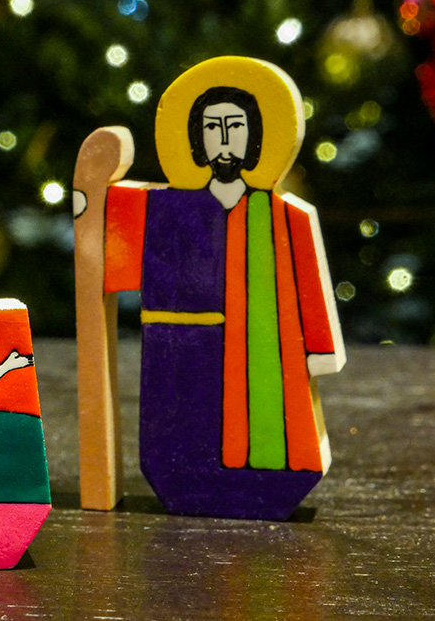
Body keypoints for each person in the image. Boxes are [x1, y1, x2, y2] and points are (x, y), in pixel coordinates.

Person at [96, 57, 345, 519]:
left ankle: (264, 483)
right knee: (188, 433)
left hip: (264, 361)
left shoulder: (285, 219)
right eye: (213, 127)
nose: (224, 138)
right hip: (182, 357)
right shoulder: (167, 208)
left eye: (235, 126)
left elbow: (309, 280)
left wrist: (321, 349)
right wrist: (89, 195)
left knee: (260, 440)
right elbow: (111, 233)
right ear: (196, 137)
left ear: (256, 137)